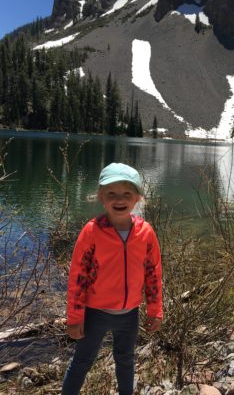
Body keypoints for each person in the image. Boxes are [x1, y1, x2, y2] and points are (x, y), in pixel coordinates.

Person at [62, 163, 163, 395]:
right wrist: (75, 317)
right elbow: (78, 277)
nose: (119, 199)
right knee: (82, 361)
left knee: (126, 360)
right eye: (111, 193)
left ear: (137, 198)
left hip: (130, 314)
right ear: (101, 197)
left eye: (127, 193)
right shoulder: (91, 231)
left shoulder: (146, 232)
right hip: (95, 313)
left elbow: (153, 273)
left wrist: (155, 310)